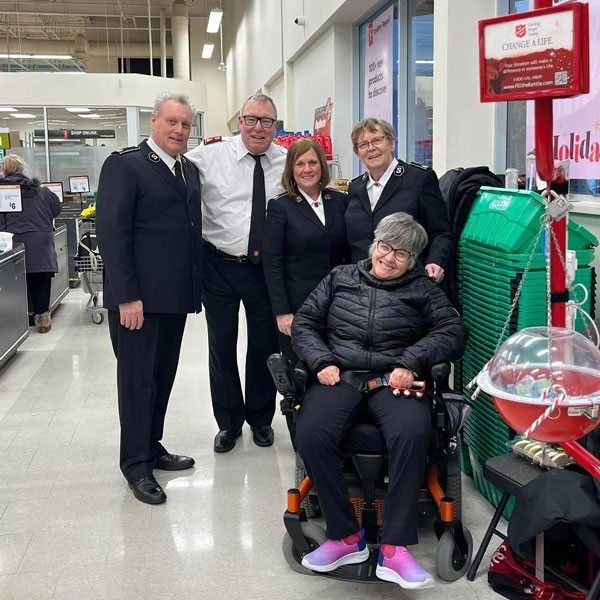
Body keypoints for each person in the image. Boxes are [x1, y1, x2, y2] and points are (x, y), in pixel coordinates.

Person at [291, 212, 467, 589]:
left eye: (401, 254)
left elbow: (453, 331)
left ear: (413, 261)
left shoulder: (422, 289)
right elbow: (305, 322)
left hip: (394, 380)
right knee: (310, 431)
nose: (389, 257)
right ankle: (345, 537)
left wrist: (412, 359)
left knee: (412, 430)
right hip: (341, 374)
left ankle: (394, 548)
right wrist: (321, 360)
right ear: (374, 244)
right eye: (385, 246)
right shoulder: (339, 278)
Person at [95, 92, 202, 505]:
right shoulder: (126, 166)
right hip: (137, 303)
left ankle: (152, 446)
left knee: (162, 379)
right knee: (137, 383)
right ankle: (136, 465)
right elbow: (112, 233)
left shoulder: (187, 171)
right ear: (153, 122)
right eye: (171, 122)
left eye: (186, 124)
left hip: (173, 298)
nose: (179, 130)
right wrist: (126, 297)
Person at [186, 94, 286, 454]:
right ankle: (228, 422)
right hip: (218, 265)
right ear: (238, 122)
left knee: (265, 344)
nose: (258, 128)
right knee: (221, 345)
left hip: (263, 270)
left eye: (267, 121)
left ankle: (260, 419)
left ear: (277, 126)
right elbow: (168, 168)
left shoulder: (286, 161)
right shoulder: (208, 156)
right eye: (251, 119)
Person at [263, 138, 349, 364]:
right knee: (301, 370)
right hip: (298, 307)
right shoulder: (280, 207)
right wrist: (282, 312)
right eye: (300, 164)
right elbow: (272, 263)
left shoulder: (340, 201)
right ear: (291, 169)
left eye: (313, 162)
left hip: (338, 304)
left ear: (322, 165)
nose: (307, 169)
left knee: (336, 367)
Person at [345, 117, 452, 284]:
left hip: (408, 283)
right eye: (363, 144)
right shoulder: (355, 187)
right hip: (362, 285)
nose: (371, 148)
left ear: (391, 144)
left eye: (377, 140)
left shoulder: (419, 179)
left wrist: (436, 261)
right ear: (358, 153)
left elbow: (441, 232)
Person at [0, 154, 61, 333]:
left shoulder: (2, 192)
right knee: (40, 280)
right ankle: (42, 319)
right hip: (39, 242)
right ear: (22, 169)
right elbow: (56, 209)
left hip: (10, 243)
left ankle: (18, 320)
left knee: (13, 281)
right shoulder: (41, 191)